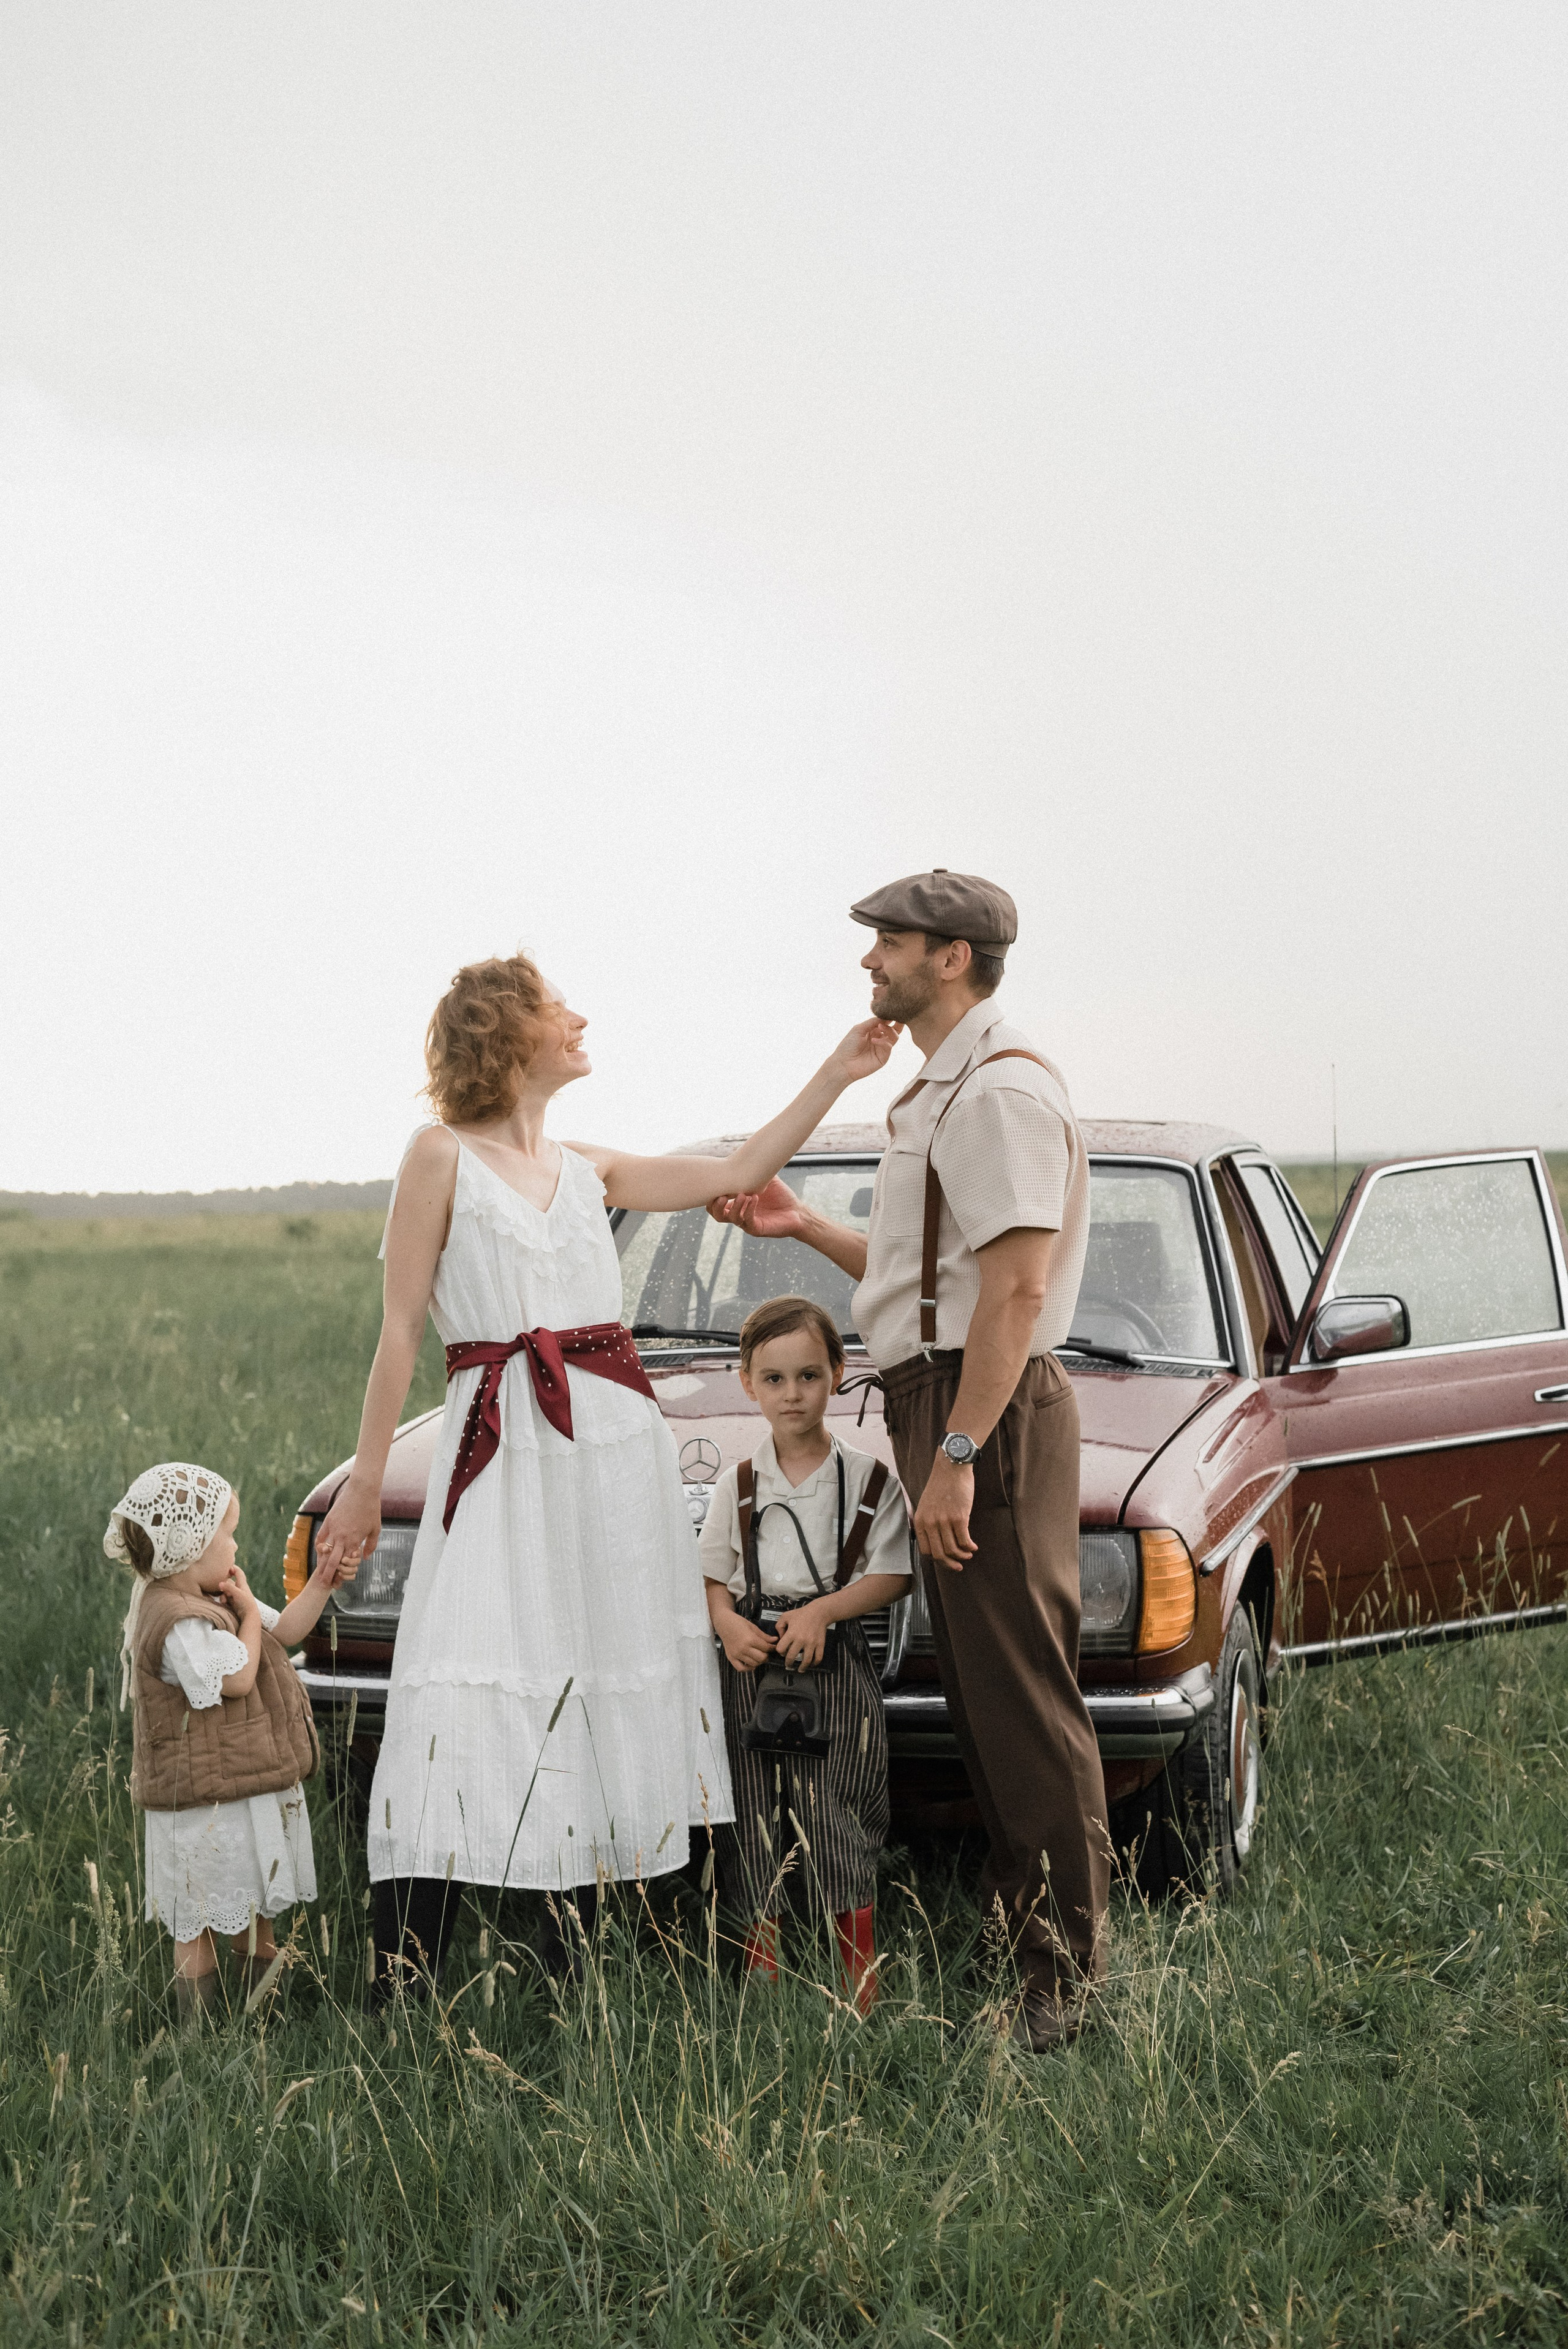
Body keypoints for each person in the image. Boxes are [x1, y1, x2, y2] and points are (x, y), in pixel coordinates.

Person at [314, 952, 896, 1995]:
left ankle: (569, 1965)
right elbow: (400, 1329)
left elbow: (742, 1166)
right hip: (501, 1447)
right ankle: (403, 1972)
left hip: (613, 1455)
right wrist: (365, 1481)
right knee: (461, 1674)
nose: (579, 1019)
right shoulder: (439, 1155)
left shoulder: (589, 1168)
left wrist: (840, 1069)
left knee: (594, 1675)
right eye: (556, 1008)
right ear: (504, 1033)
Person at [709, 870, 1109, 2048]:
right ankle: (1030, 1941)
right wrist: (803, 1227)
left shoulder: (999, 1090)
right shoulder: (945, 1088)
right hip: (946, 1393)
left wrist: (960, 1452)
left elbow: (1016, 1292)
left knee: (1021, 1697)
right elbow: (925, 1283)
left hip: (985, 1405)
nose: (869, 958)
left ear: (952, 958)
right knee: (987, 1695)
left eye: (889, 940)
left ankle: (1063, 1984)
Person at [699, 1295, 912, 2013]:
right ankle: (762, 1982)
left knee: (838, 1809)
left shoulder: (869, 1480)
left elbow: (894, 1572)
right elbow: (712, 1573)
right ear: (747, 1383)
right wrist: (725, 1623)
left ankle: (858, 1983)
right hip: (751, 1661)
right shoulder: (738, 1484)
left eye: (809, 1376)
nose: (792, 1394)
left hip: (834, 1659)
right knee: (755, 1815)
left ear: (838, 1373)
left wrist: (823, 1610)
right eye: (774, 1379)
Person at [104, 1460, 353, 2025]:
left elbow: (286, 1631)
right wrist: (246, 1618)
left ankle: (260, 2023)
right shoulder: (176, 1621)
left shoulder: (210, 1596)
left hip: (242, 1785)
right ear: (190, 1547)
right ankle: (196, 2035)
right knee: (197, 1918)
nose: (236, 1545)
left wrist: (320, 1582)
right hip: (200, 1805)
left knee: (254, 1908)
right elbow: (237, 1677)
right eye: (228, 1533)